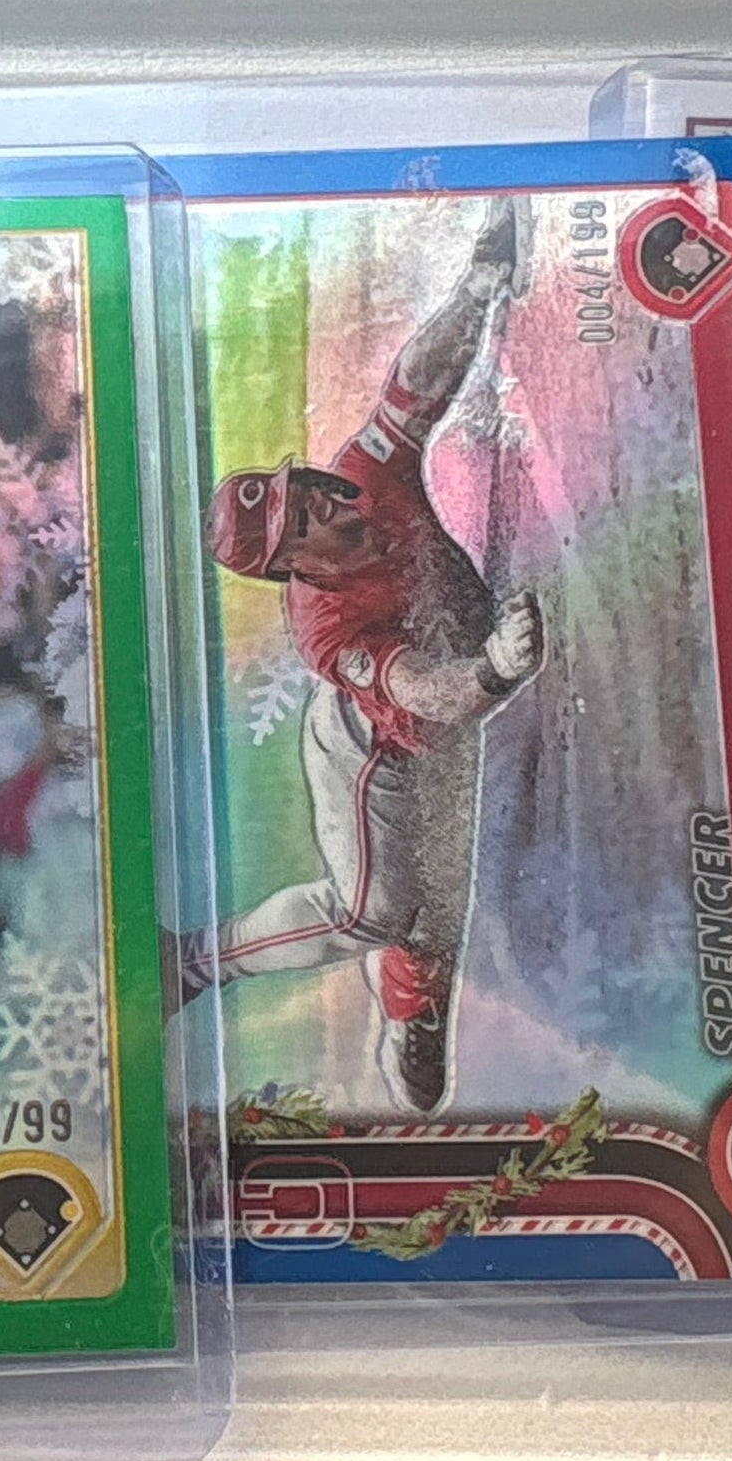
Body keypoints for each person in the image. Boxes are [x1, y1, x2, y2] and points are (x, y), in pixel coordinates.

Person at [174, 202, 545, 1113]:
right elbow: (419, 690)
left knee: (440, 902)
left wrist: (475, 287)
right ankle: (199, 960)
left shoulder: (362, 474)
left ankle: (413, 1015)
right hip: (377, 750)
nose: (327, 503)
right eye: (304, 518)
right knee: (371, 912)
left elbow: (412, 388)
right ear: (292, 565)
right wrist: (493, 670)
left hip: (451, 707)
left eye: (306, 491)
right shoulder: (325, 625)